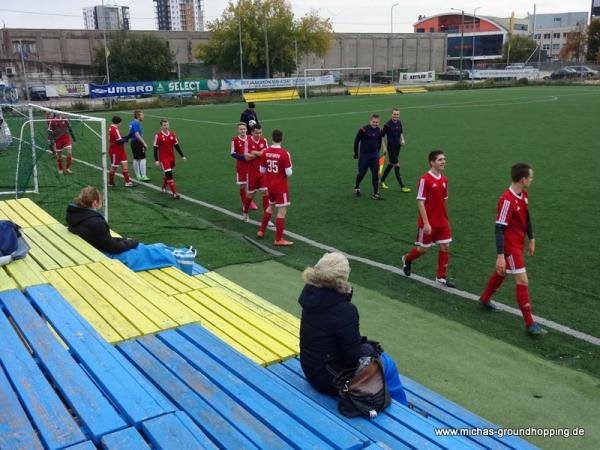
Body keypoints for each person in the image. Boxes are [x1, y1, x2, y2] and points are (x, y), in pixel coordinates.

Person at [299, 252, 408, 405]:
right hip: (329, 381)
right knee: (387, 363)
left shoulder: (310, 297)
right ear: (343, 277)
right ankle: (403, 408)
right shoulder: (345, 309)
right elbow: (352, 358)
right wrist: (370, 349)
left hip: (310, 369)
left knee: (372, 352)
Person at [479, 163, 546, 336]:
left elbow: (527, 217)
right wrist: (501, 255)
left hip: (519, 243)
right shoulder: (506, 200)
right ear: (523, 179)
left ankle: (485, 299)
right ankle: (530, 324)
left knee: (501, 273)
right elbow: (499, 228)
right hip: (510, 247)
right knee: (522, 281)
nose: (532, 179)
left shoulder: (523, 195)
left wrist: (531, 238)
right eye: (530, 177)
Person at [401, 150, 455, 288]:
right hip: (428, 222)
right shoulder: (425, 179)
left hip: (442, 221)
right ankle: (407, 259)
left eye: (444, 159)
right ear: (432, 162)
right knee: (424, 249)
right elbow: (420, 202)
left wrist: (445, 218)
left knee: (445, 246)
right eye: (440, 160)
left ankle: (441, 277)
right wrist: (426, 223)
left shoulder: (444, 180)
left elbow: (443, 200)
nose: (443, 162)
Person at [66, 186, 138, 254]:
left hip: (85, 247)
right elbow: (113, 248)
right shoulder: (97, 222)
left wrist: (123, 240)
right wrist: (133, 242)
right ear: (95, 203)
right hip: (97, 253)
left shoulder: (72, 213)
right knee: (142, 250)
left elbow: (103, 238)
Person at [257, 129, 293, 246]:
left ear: (272, 138)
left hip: (270, 186)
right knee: (281, 212)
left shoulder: (266, 152)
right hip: (281, 187)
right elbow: (289, 172)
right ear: (282, 138)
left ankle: (261, 231)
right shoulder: (284, 153)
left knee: (270, 207)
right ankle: (278, 239)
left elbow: (261, 170)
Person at [229, 122, 258, 215]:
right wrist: (244, 157)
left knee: (251, 186)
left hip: (251, 166)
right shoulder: (235, 140)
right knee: (242, 185)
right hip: (241, 167)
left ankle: (250, 202)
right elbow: (232, 153)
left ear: (246, 129)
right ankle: (244, 203)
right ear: (238, 130)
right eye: (241, 129)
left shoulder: (250, 138)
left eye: (244, 129)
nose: (242, 130)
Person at [153, 119, 187, 199]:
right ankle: (175, 193)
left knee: (167, 174)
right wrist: (156, 160)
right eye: (164, 125)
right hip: (164, 159)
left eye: (167, 125)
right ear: (161, 126)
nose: (166, 126)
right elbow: (155, 148)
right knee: (169, 175)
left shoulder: (172, 134)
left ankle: (163, 187)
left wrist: (182, 156)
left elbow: (176, 146)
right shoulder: (158, 135)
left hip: (172, 158)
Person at [380, 108, 411, 193]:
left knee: (391, 163)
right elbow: (381, 136)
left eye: (397, 114)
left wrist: (402, 139)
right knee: (397, 165)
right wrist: (384, 147)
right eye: (394, 114)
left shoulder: (399, 122)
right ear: (391, 114)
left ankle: (381, 181)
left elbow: (401, 132)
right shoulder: (387, 125)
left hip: (398, 146)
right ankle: (402, 186)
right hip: (391, 147)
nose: (396, 116)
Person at [243, 125, 269, 222]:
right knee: (250, 194)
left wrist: (254, 152)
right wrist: (259, 153)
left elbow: (266, 153)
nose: (259, 134)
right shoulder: (247, 142)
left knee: (265, 193)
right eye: (257, 133)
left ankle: (266, 218)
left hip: (262, 172)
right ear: (252, 132)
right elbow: (247, 157)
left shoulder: (264, 140)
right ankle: (245, 213)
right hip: (252, 173)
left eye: (260, 132)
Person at [354, 114, 384, 200]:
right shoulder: (363, 129)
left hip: (374, 156)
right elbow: (356, 141)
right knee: (362, 173)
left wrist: (377, 152)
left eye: (377, 122)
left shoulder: (379, 130)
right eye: (373, 122)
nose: (375, 123)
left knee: (375, 174)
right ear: (370, 121)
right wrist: (356, 153)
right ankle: (357, 187)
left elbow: (379, 141)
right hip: (364, 156)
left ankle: (375, 193)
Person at [108, 116, 133, 187]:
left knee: (125, 164)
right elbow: (120, 141)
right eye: (120, 122)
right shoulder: (114, 129)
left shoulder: (113, 128)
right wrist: (128, 137)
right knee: (114, 167)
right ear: (118, 122)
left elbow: (119, 139)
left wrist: (127, 137)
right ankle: (111, 182)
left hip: (121, 150)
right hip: (115, 151)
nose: (121, 124)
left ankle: (127, 182)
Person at [129, 110, 150, 181]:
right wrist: (144, 143)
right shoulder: (136, 123)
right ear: (138, 116)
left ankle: (138, 176)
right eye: (142, 115)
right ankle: (143, 176)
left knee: (136, 158)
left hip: (134, 142)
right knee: (143, 158)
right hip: (137, 142)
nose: (143, 116)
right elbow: (136, 134)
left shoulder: (132, 122)